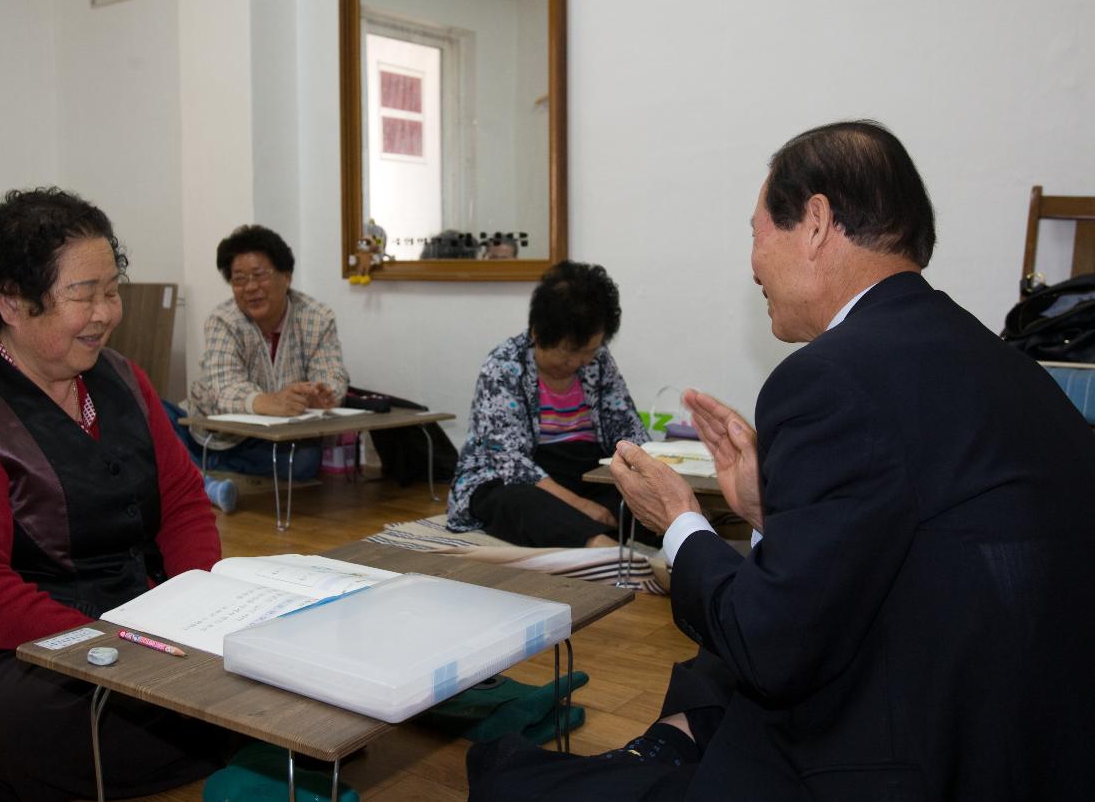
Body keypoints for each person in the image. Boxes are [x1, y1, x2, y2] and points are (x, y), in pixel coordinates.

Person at [466, 121, 1095, 801]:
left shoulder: (830, 376)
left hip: (905, 753)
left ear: (817, 222)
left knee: (510, 780)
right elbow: (915, 540)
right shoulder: (1009, 364)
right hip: (1029, 741)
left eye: (757, 230)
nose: (753, 261)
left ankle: (665, 750)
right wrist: (768, 509)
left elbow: (771, 648)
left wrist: (681, 523)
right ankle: (674, 742)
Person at [0, 188, 232, 801]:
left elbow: (181, 503)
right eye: (84, 294)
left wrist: (199, 610)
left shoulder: (124, 379)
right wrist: (113, 649)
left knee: (254, 659)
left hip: (135, 623)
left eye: (112, 289)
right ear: (13, 302)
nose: (107, 312)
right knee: (37, 731)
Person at [448, 261, 650, 548]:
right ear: (537, 333)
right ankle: (597, 545)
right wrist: (581, 506)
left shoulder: (600, 361)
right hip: (518, 479)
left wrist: (649, 478)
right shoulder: (503, 367)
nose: (579, 362)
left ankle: (588, 536)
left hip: (585, 473)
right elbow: (512, 463)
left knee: (635, 500)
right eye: (568, 352)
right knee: (517, 503)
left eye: (588, 351)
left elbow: (628, 428)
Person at [176, 224, 349, 481]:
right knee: (152, 415)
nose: (250, 287)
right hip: (216, 431)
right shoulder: (223, 320)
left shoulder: (317, 317)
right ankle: (204, 469)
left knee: (303, 462)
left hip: (274, 439)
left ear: (286, 276)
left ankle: (200, 472)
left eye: (260, 275)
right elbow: (224, 389)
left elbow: (333, 377)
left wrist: (320, 395)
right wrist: (269, 402)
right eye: (239, 279)